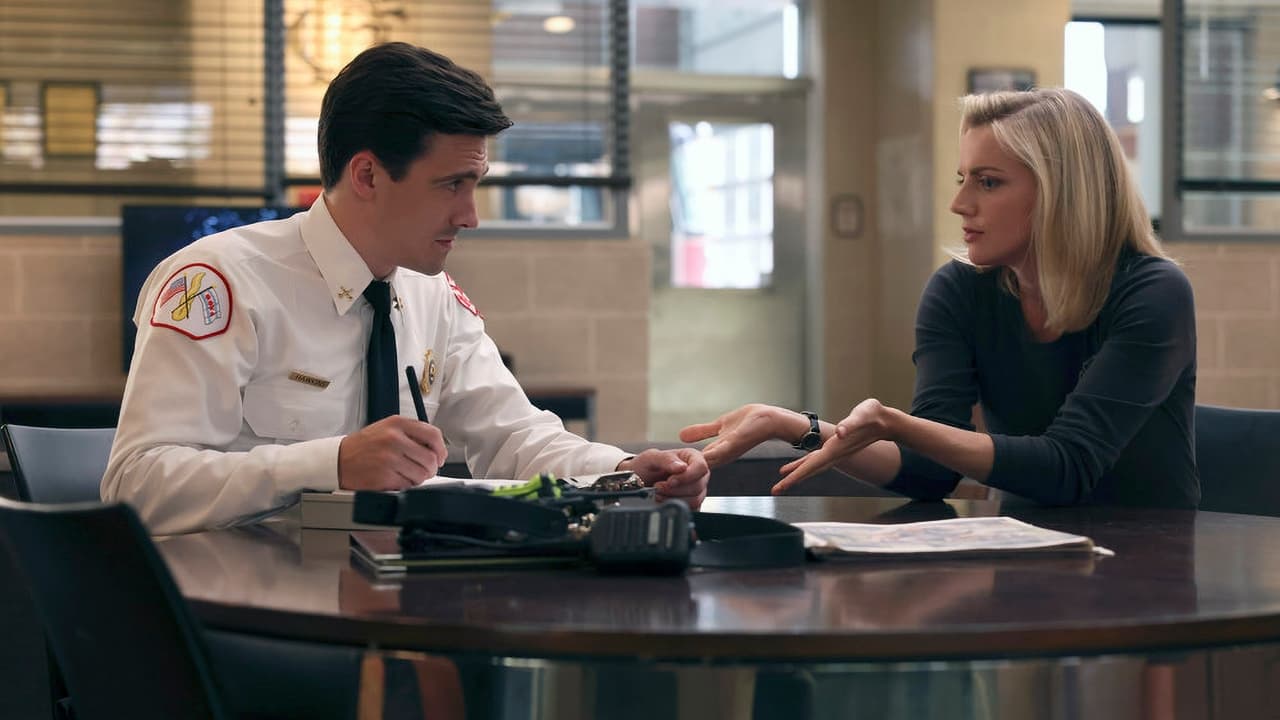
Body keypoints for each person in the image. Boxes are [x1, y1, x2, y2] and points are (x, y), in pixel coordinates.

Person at [104, 42, 708, 535]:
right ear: (368, 175)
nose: (470, 216)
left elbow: (513, 436)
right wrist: (330, 463)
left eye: (476, 184)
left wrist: (626, 472)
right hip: (250, 609)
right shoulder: (221, 283)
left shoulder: (431, 295)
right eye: (451, 185)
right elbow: (138, 486)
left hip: (397, 595)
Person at [681, 87, 1198, 509]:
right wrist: (790, 425)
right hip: (1029, 556)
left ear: (1062, 192)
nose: (959, 203)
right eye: (962, 178)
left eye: (988, 182)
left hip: (1150, 563)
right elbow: (929, 473)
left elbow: (1068, 468)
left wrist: (897, 424)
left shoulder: (1153, 293)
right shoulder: (959, 290)